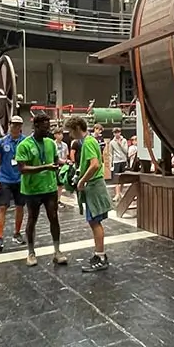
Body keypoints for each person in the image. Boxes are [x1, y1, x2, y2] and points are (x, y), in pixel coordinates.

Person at [15, 113, 67, 267]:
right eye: (45, 128)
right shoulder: (24, 145)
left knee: (54, 217)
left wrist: (67, 163)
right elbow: (22, 168)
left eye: (48, 127)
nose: (48, 130)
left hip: (49, 187)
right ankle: (31, 252)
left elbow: (56, 160)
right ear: (36, 126)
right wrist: (45, 167)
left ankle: (57, 251)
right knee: (32, 219)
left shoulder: (50, 143)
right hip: (32, 189)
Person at [66, 116, 112, 272]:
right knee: (93, 221)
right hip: (92, 185)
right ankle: (99, 253)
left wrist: (82, 181)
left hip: (94, 185)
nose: (70, 135)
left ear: (78, 128)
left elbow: (94, 164)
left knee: (95, 221)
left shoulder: (89, 142)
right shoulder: (88, 142)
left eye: (71, 131)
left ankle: (101, 256)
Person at [0, 115, 26, 252]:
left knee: (20, 206)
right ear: (9, 124)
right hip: (5, 179)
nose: (16, 127)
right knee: (2, 207)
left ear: (21, 126)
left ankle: (17, 233)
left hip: (20, 179)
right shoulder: (1, 142)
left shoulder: (26, 142)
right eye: (13, 124)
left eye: (18, 124)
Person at [110, 128, 128, 202]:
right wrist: (111, 163)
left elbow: (126, 151)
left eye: (117, 132)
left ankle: (120, 192)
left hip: (123, 160)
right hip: (116, 161)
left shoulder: (124, 141)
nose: (116, 134)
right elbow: (111, 153)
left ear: (120, 133)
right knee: (116, 178)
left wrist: (120, 144)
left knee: (123, 177)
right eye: (115, 133)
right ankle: (117, 194)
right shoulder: (112, 142)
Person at [54, 128, 69, 208]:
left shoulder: (65, 145)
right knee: (55, 184)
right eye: (58, 134)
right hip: (55, 166)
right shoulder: (52, 144)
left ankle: (58, 200)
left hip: (62, 166)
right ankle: (54, 200)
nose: (60, 136)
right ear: (55, 135)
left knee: (60, 185)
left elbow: (66, 155)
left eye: (61, 134)